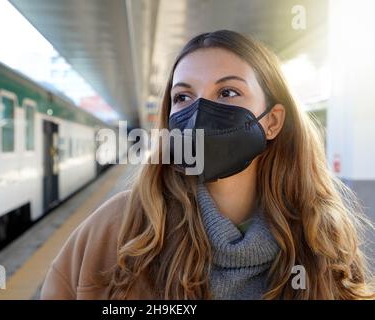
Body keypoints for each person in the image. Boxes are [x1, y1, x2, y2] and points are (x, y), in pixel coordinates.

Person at [40, 30, 374, 300]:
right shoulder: (118, 229)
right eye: (183, 97)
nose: (199, 113)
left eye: (228, 92)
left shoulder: (322, 238)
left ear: (272, 121)